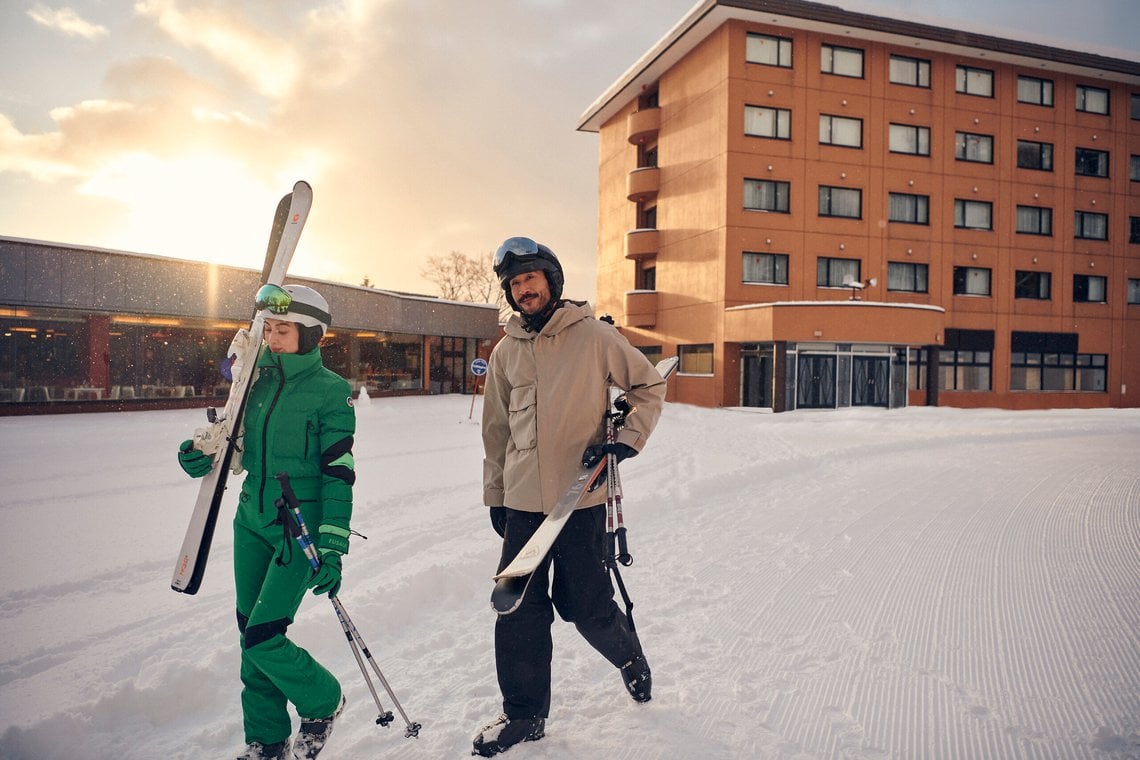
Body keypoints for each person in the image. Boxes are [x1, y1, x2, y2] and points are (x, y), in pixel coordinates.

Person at [472, 237, 667, 756]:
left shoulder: (594, 337)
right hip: (522, 504)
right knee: (517, 609)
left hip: (580, 499)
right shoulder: (506, 352)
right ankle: (524, 715)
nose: (523, 289)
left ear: (551, 280)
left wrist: (624, 442)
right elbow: (495, 432)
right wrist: (497, 494)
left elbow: (648, 388)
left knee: (585, 605)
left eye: (530, 278)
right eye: (514, 284)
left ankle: (629, 658)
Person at [177, 284, 356, 760]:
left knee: (263, 636)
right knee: (247, 632)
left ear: (312, 336)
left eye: (284, 330)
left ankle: (323, 701)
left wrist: (333, 547)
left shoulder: (332, 392)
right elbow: (227, 443)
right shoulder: (250, 383)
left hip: (298, 528)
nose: (273, 339)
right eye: (269, 329)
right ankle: (266, 739)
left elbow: (339, 473)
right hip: (250, 521)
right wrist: (200, 455)